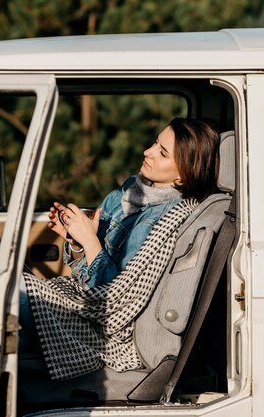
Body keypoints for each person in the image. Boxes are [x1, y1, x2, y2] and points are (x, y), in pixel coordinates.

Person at [18, 117, 220, 382]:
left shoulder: (172, 219)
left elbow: (115, 303)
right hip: (86, 303)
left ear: (184, 171)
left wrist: (90, 241)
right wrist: (78, 243)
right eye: (154, 143)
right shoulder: (125, 193)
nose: (147, 152)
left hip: (109, 332)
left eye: (162, 153)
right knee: (7, 289)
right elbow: (89, 278)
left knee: (6, 297)